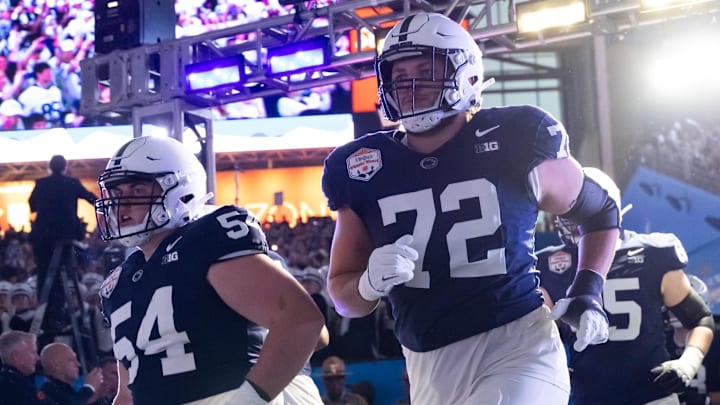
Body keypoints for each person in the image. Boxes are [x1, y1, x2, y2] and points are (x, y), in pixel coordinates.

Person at [321, 12, 620, 404]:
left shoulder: (517, 136)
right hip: (425, 362)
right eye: (399, 72)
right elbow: (342, 293)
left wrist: (587, 291)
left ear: (468, 75)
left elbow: (601, 213)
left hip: (518, 344)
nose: (409, 82)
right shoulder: (360, 166)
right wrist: (367, 284)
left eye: (425, 68)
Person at [95, 136, 326, 404]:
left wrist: (251, 398)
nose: (123, 204)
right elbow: (127, 391)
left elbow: (303, 323)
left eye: (136, 191)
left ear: (181, 190)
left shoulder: (206, 238)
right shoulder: (117, 283)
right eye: (117, 193)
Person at [537, 168, 715, 405]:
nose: (568, 217)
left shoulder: (653, 253)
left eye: (579, 208)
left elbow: (701, 319)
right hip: (587, 396)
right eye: (567, 208)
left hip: (650, 396)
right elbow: (538, 333)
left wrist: (688, 363)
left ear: (606, 208)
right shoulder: (548, 262)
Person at [28, 154, 97, 336]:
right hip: (64, 236)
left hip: (42, 236)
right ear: (65, 166)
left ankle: (46, 317)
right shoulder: (71, 183)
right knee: (62, 275)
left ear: (50, 167)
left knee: (44, 274)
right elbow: (91, 198)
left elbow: (32, 206)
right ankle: (57, 317)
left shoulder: (41, 183)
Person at [665, 275, 720, 405]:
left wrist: (707, 400)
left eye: (683, 304)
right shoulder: (660, 341)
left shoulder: (717, 344)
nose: (676, 311)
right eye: (674, 305)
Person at [37, 342, 104, 405]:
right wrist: (89, 387)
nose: (78, 364)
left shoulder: (64, 390)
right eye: (71, 360)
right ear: (56, 365)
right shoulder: (48, 392)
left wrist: (96, 397)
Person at [0, 330, 42, 405]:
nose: (37, 358)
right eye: (33, 352)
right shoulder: (19, 387)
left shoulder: (10, 380)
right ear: (16, 356)